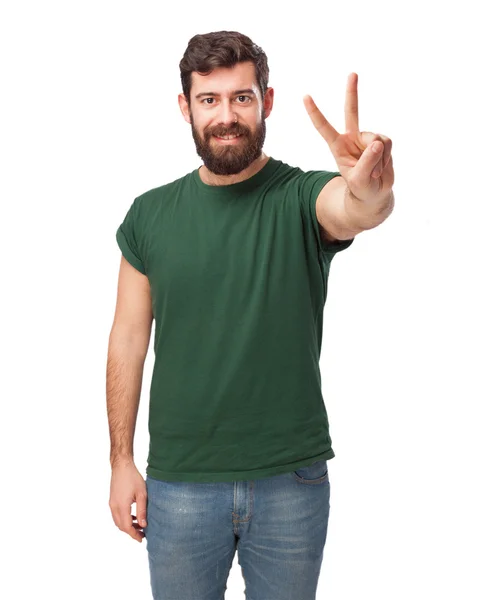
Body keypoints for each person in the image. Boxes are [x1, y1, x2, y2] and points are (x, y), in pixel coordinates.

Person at [107, 30, 395, 600]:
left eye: (241, 97)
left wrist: (370, 189)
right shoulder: (149, 215)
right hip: (180, 484)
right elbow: (127, 340)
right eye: (209, 100)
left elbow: (355, 208)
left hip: (291, 481)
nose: (226, 116)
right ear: (185, 107)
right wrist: (120, 460)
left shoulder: (301, 196)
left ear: (266, 102)